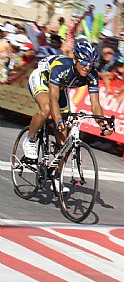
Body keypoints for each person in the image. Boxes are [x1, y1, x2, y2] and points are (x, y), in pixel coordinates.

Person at [22, 41, 114, 192]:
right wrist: (58, 121)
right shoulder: (62, 66)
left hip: (61, 87)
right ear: (75, 60)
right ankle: (30, 139)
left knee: (64, 140)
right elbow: (53, 99)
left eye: (91, 63)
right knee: (46, 109)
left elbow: (95, 104)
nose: (87, 67)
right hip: (42, 79)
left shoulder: (92, 75)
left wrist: (103, 125)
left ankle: (56, 176)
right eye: (84, 62)